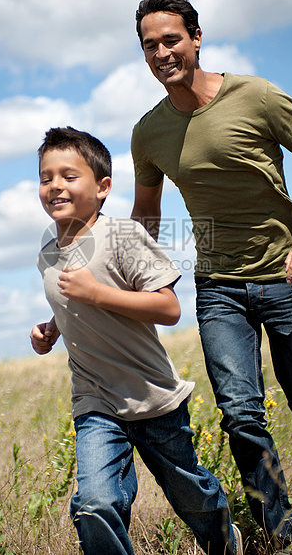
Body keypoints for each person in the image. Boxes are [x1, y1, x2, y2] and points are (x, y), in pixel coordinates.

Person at [130, 0, 292, 554]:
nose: (162, 52)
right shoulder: (148, 133)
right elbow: (147, 217)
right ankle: (281, 527)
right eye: (150, 45)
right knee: (241, 412)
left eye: (171, 39)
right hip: (218, 287)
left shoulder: (257, 95)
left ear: (196, 38)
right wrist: (120, 278)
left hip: (286, 277)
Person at [30, 126, 242, 555]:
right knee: (94, 504)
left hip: (153, 397)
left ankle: (224, 539)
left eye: (69, 176)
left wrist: (97, 294)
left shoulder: (122, 235)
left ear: (103, 186)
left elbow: (168, 308)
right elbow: (72, 297)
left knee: (190, 495)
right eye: (45, 176)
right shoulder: (48, 247)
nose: (55, 185)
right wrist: (51, 327)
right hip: (95, 401)